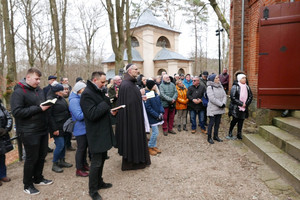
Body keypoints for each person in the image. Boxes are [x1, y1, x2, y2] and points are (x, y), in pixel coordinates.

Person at [11, 68, 53, 195]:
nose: (39, 81)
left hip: (42, 129)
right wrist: (39, 108)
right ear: (28, 77)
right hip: (28, 131)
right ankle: (27, 185)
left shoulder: (39, 90)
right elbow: (17, 112)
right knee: (31, 158)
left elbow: (42, 106)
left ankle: (38, 178)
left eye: (40, 79)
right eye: (36, 79)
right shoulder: (18, 92)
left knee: (42, 156)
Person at [80, 71, 117, 200]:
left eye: (105, 82)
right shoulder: (86, 95)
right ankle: (93, 190)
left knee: (102, 160)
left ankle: (99, 182)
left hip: (103, 131)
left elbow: (103, 108)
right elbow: (92, 114)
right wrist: (105, 103)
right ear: (94, 80)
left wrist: (110, 110)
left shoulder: (98, 91)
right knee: (95, 163)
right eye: (102, 82)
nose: (104, 84)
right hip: (96, 133)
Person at [115, 63, 151, 171]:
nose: (138, 71)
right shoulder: (126, 85)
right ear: (130, 71)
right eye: (136, 69)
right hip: (131, 120)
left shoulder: (130, 84)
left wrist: (140, 97)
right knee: (132, 139)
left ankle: (139, 160)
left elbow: (132, 101)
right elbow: (128, 105)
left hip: (135, 118)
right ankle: (132, 162)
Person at [47, 81, 73, 173]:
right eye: (61, 90)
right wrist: (54, 129)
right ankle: (55, 163)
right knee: (60, 144)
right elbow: (49, 116)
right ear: (56, 91)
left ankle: (62, 160)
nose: (63, 92)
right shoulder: (50, 100)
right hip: (57, 127)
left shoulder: (60, 98)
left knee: (64, 144)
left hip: (64, 125)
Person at [69, 82, 89, 177]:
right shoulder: (74, 101)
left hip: (84, 127)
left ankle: (84, 164)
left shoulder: (79, 98)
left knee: (84, 147)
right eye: (84, 89)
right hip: (79, 127)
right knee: (81, 148)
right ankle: (78, 169)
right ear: (80, 90)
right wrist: (90, 111)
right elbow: (79, 116)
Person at [228, 71, 253, 140]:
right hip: (236, 107)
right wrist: (241, 104)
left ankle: (239, 133)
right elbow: (233, 97)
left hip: (244, 107)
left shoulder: (247, 87)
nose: (245, 79)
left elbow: (250, 96)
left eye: (245, 78)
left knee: (241, 121)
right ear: (239, 79)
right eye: (243, 78)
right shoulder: (235, 87)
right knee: (235, 120)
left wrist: (246, 104)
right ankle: (230, 131)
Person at [144, 80, 164, 156]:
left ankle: (154, 146)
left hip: (158, 116)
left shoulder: (154, 93)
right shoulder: (147, 94)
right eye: (154, 85)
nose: (155, 86)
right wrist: (156, 115)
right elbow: (148, 108)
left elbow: (159, 104)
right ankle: (150, 147)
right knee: (155, 132)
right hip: (153, 117)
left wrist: (162, 112)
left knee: (156, 132)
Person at [206, 74, 227, 144]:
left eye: (218, 78)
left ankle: (216, 136)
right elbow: (212, 98)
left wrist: (223, 103)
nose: (218, 79)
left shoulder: (220, 86)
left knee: (217, 123)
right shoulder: (210, 87)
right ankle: (209, 137)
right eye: (217, 78)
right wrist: (221, 104)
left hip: (220, 109)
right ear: (213, 80)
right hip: (212, 109)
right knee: (211, 123)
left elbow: (224, 95)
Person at [43, 75, 57, 153]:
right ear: (49, 81)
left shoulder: (57, 88)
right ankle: (46, 146)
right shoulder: (45, 89)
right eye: (52, 80)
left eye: (55, 79)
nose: (53, 81)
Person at [0, 99, 13, 186]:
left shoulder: (1, 106)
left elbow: (9, 117)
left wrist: (6, 129)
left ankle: (2, 175)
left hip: (2, 136)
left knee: (1, 156)